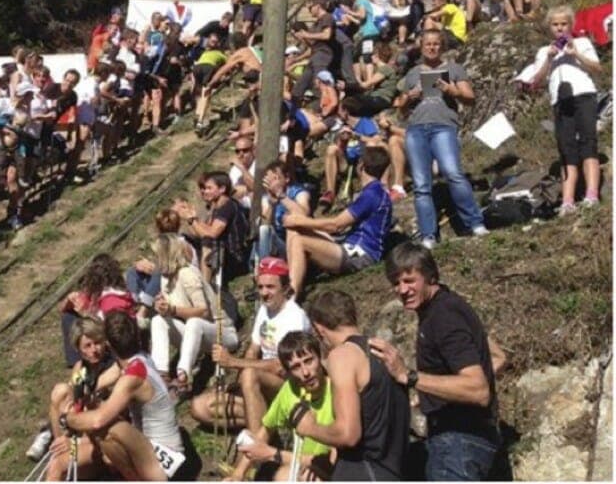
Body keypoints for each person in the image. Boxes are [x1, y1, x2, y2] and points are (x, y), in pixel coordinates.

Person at [370, 243, 506, 481]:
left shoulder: (443, 317)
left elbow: (478, 389)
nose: (402, 289)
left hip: (460, 443)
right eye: (396, 282)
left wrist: (409, 376)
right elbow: (497, 357)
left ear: (430, 276)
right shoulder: (447, 307)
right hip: (471, 440)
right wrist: (431, 395)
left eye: (410, 280)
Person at [190, 257, 309, 432]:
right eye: (260, 287)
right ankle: (267, 420)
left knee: (250, 375)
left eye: (270, 287)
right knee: (199, 407)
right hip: (261, 385)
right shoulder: (264, 310)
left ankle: (257, 443)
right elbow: (253, 349)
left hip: (289, 386)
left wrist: (234, 363)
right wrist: (240, 382)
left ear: (285, 288)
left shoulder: (295, 317)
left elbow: (281, 366)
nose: (264, 293)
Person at [62, 311, 184, 482]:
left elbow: (98, 420)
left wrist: (68, 419)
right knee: (106, 430)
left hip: (164, 459)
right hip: (157, 449)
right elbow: (102, 381)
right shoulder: (139, 358)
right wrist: (81, 393)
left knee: (108, 427)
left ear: (109, 345)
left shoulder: (132, 378)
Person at [302, 289, 410, 480]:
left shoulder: (342, 356)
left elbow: (348, 434)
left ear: (319, 329)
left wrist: (309, 427)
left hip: (362, 473)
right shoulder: (386, 354)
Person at [397, 30, 487, 247]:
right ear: (421, 46)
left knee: (453, 173)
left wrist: (452, 90)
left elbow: (470, 98)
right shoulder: (412, 74)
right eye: (428, 44)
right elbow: (401, 110)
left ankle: (475, 223)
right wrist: (408, 98)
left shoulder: (453, 69)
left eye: (436, 44)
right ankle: (428, 235)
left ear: (442, 46)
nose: (432, 47)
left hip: (443, 126)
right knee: (421, 184)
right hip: (416, 128)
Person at [282, 147, 394, 300]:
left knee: (299, 241)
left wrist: (301, 220)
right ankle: (292, 280)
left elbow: (336, 225)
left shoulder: (371, 194)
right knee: (294, 228)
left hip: (358, 255)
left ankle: (290, 297)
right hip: (348, 245)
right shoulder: (375, 191)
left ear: (360, 166)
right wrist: (298, 220)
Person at [527, 5, 603, 214]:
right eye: (555, 24)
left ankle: (592, 194)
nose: (560, 28)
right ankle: (567, 201)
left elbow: (597, 68)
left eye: (564, 24)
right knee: (566, 148)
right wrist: (550, 59)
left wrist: (576, 53)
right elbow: (536, 82)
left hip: (584, 95)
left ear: (571, 25)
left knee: (588, 142)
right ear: (549, 27)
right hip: (559, 101)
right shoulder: (544, 51)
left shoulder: (581, 42)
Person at [231, 330, 335, 482]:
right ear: (288, 372)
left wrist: (273, 454)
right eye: (296, 367)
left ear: (320, 358)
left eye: (308, 361)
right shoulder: (291, 390)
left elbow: (333, 461)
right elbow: (265, 430)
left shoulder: (337, 390)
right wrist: (238, 474)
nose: (306, 372)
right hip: (303, 464)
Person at [149, 234, 238, 400]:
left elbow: (203, 312)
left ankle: (183, 377)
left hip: (220, 333)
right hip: (197, 336)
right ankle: (161, 374)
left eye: (156, 256)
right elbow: (170, 310)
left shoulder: (188, 274)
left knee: (194, 322)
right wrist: (161, 308)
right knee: (157, 320)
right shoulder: (165, 278)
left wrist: (172, 310)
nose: (154, 261)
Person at [38, 318, 120, 479]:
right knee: (60, 391)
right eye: (87, 346)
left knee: (57, 468)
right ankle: (61, 447)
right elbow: (75, 405)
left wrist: (76, 441)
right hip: (81, 436)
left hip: (105, 440)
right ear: (78, 348)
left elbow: (105, 419)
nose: (94, 350)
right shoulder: (80, 368)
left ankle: (66, 455)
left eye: (97, 343)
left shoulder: (114, 367)